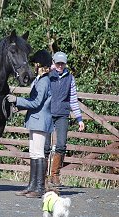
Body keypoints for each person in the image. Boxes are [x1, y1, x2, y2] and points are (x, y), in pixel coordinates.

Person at [7, 49, 53, 198]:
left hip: (40, 121)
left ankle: (39, 188)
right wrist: (18, 105)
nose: (34, 66)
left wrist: (17, 100)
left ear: (41, 65)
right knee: (33, 152)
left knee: (38, 153)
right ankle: (32, 185)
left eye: (35, 64)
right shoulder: (39, 80)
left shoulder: (45, 81)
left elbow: (36, 102)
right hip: (36, 120)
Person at [46, 51, 85, 186]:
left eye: (62, 63)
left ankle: (55, 175)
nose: (60, 66)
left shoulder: (70, 78)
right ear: (53, 63)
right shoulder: (48, 75)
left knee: (61, 145)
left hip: (62, 114)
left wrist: (79, 118)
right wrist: (47, 72)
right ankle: (43, 176)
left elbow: (73, 99)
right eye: (58, 63)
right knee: (45, 147)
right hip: (48, 113)